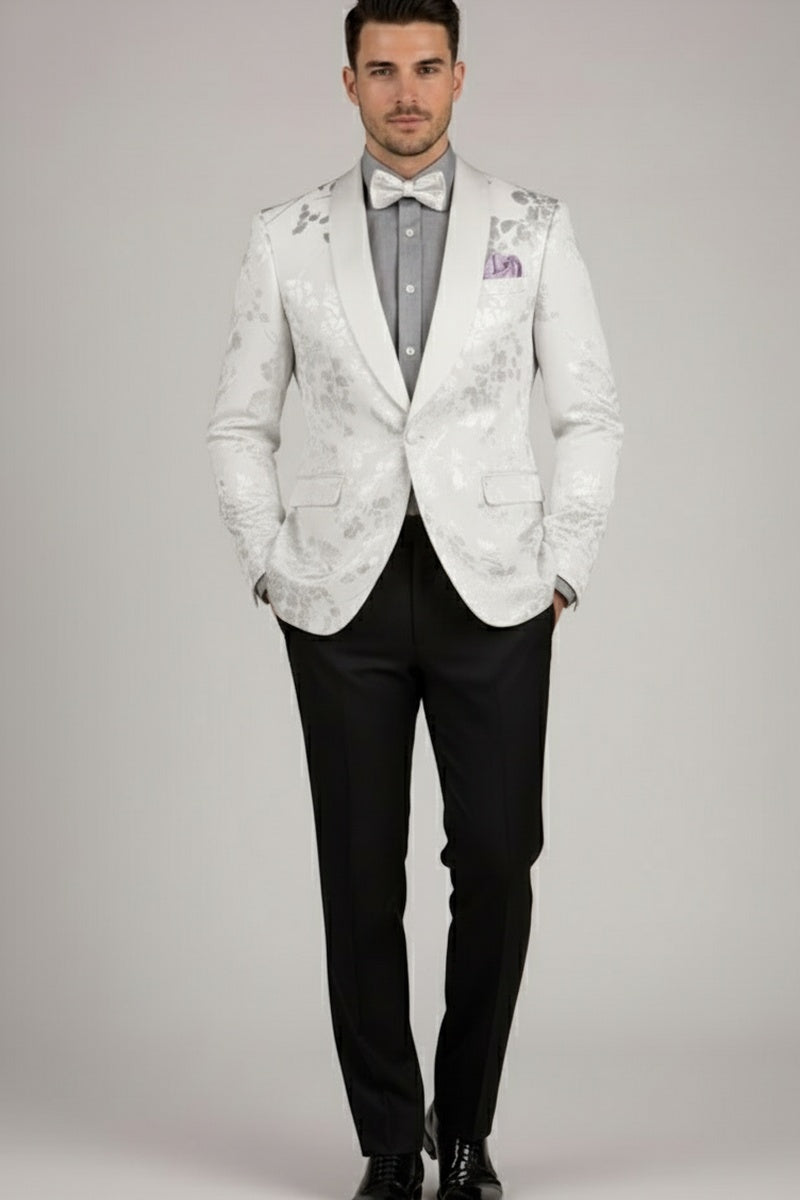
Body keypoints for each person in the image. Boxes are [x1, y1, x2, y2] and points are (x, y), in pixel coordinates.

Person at [206, 2, 623, 1196]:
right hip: (338, 595)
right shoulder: (284, 237)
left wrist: (562, 567)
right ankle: (391, 1143)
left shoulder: (533, 226)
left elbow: (588, 411)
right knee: (357, 873)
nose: (405, 92)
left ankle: (466, 1126)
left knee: (496, 857)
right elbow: (239, 422)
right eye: (381, 69)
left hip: (493, 589)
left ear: (458, 77)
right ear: (347, 82)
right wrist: (267, 561)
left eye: (426, 67)